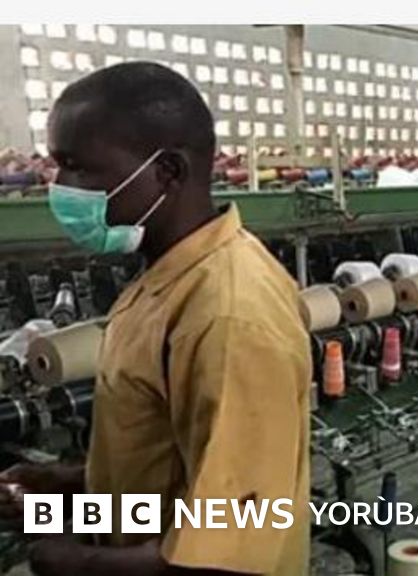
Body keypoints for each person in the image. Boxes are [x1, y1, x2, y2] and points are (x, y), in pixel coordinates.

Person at [0, 62, 311, 575]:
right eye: (57, 166)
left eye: (77, 167)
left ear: (167, 171)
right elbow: (164, 466)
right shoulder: (167, 277)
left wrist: (73, 562)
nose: (61, 188)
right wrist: (66, 485)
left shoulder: (228, 315)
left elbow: (235, 540)